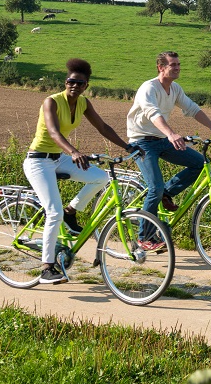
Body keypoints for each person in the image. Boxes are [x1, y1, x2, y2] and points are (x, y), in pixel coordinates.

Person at [24, 58, 133, 285]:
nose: (73, 85)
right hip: (38, 161)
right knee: (53, 212)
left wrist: (128, 146)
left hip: (59, 158)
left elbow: (103, 127)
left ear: (86, 86)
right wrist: (74, 152)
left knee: (100, 178)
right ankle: (46, 267)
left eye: (79, 83)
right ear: (65, 82)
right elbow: (53, 132)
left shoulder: (83, 104)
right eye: (70, 81)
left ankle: (72, 210)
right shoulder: (51, 102)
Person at [126, 50, 211, 250]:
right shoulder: (149, 88)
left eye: (179, 64)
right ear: (161, 68)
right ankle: (144, 238)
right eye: (173, 65)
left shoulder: (175, 89)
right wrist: (171, 134)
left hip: (161, 140)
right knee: (154, 187)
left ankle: (166, 193)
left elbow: (193, 108)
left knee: (200, 163)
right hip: (141, 142)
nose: (178, 68)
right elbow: (153, 114)